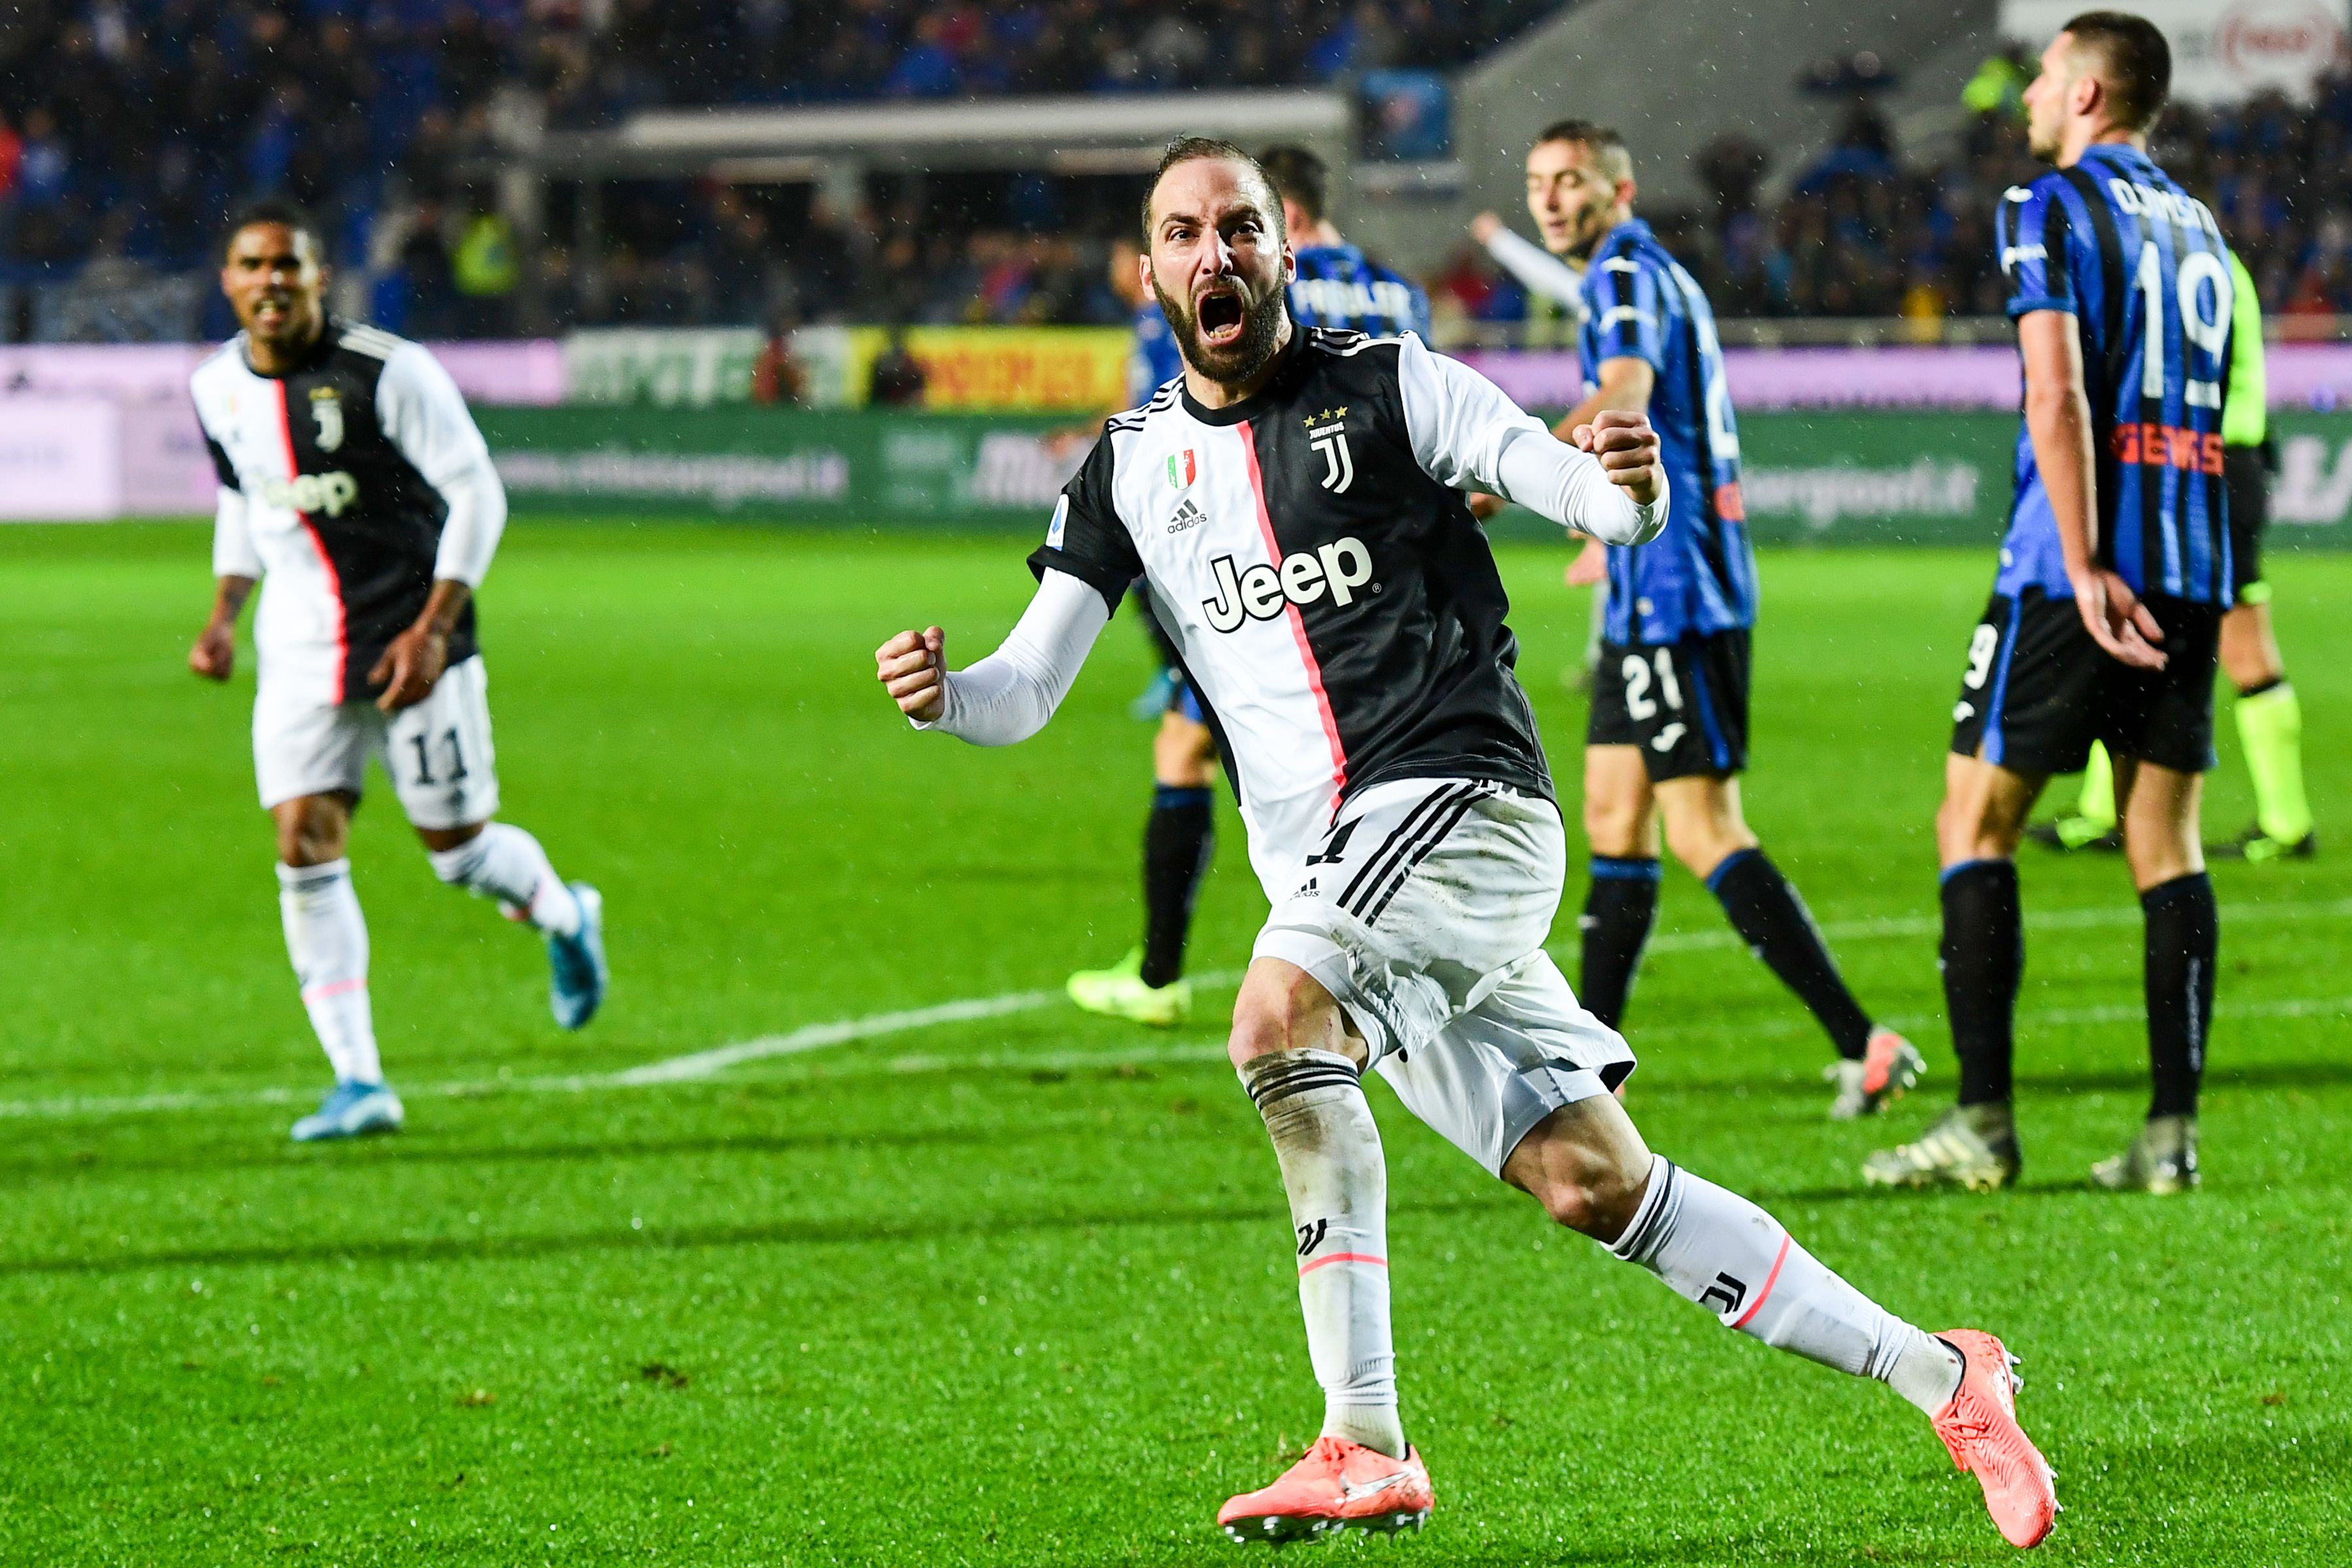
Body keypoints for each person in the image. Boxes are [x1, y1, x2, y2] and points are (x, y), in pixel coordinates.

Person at [876, 137, 2053, 1552]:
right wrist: (950, 700)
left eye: (1240, 228)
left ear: (1282, 251)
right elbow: (1026, 687)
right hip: (1345, 880)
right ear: (1150, 276)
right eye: (1184, 234)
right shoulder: (1125, 470)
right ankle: (1945, 1374)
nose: (1215, 255)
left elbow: (1567, 484)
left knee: (1276, 1022)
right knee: (1594, 1182)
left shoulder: (1390, 386)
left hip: (1460, 806)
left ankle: (1361, 1437)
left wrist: (1630, 490)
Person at [1867, 13, 2230, 1196]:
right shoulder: (2203, 226)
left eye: (2041, 73)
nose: (2026, 91)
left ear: (2086, 92)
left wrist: (2080, 560)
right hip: (2193, 553)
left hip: (2075, 569)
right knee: (2163, 840)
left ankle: (1983, 1124)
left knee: (1973, 825)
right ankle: (2170, 1136)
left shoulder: (2049, 207)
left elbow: (2057, 395)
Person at [1499, 121, 1923, 1119]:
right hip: (1650, 588)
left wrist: (1515, 471)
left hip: (1680, 596)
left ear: (1621, 188)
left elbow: (1628, 394)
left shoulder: (1624, 276)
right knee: (1615, 814)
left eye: (1572, 182)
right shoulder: (1644, 274)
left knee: (1701, 827)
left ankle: (1864, 1042)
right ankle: (1589, 1068)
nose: (1553, 200)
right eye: (1538, 183)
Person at [188, 202, 608, 1143]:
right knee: (303, 842)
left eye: (287, 266)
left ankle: (564, 914)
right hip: (298, 651)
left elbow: (479, 493)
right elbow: (240, 501)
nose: (270, 282)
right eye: (251, 266)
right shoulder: (215, 387)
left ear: (318, 276)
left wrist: (432, 628)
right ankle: (359, 1079)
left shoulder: (390, 372)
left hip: (414, 641)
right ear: (229, 280)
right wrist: (223, 616)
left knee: (458, 853)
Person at [2030, 246, 2313, 862]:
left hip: (2206, 463)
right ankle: (2108, 811)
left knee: (2240, 646)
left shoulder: (2183, 262)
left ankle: (2288, 821)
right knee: (2142, 626)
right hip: (2215, 461)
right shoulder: (2217, 262)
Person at [1065, 237, 1226, 1026]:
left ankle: (1161, 977)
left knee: (1208, 749)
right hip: (1271, 561)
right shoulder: (1384, 291)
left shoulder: (1191, 315)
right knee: (1193, 742)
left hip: (1219, 555)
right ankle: (1160, 973)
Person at [1258, 144, 1432, 340]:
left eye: (1255, 218)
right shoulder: (1404, 287)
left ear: (1288, 216)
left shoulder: (1277, 289)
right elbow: (1424, 367)